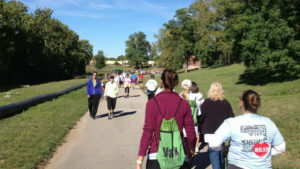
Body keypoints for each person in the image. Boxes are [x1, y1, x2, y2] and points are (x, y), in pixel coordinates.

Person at [205, 90, 286, 169]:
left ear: (241, 103)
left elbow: (214, 143)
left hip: (237, 165)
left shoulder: (231, 123)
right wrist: (264, 152)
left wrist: (222, 149)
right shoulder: (269, 123)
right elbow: (281, 147)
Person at [137, 69, 196, 169]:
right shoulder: (184, 104)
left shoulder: (152, 103)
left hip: (156, 156)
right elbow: (190, 132)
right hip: (178, 154)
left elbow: (148, 131)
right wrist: (191, 149)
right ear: (176, 83)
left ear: (161, 81)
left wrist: (140, 159)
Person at [199, 82, 234, 169]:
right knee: (221, 153)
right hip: (222, 132)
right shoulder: (225, 103)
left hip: (210, 133)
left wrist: (200, 128)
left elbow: (200, 117)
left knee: (214, 154)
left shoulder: (206, 103)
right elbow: (231, 117)